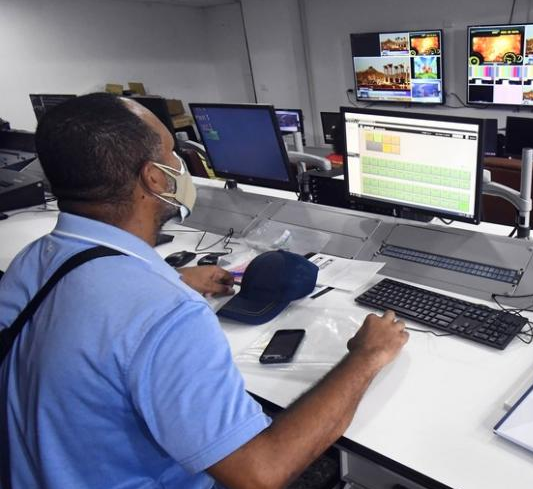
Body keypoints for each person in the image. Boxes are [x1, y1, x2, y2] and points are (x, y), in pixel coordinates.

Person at [0, 93, 409, 488]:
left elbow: (90, 318)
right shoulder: (164, 312)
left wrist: (173, 280)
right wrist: (366, 358)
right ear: (155, 177)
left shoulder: (33, 259)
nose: (181, 161)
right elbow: (260, 474)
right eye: (172, 151)